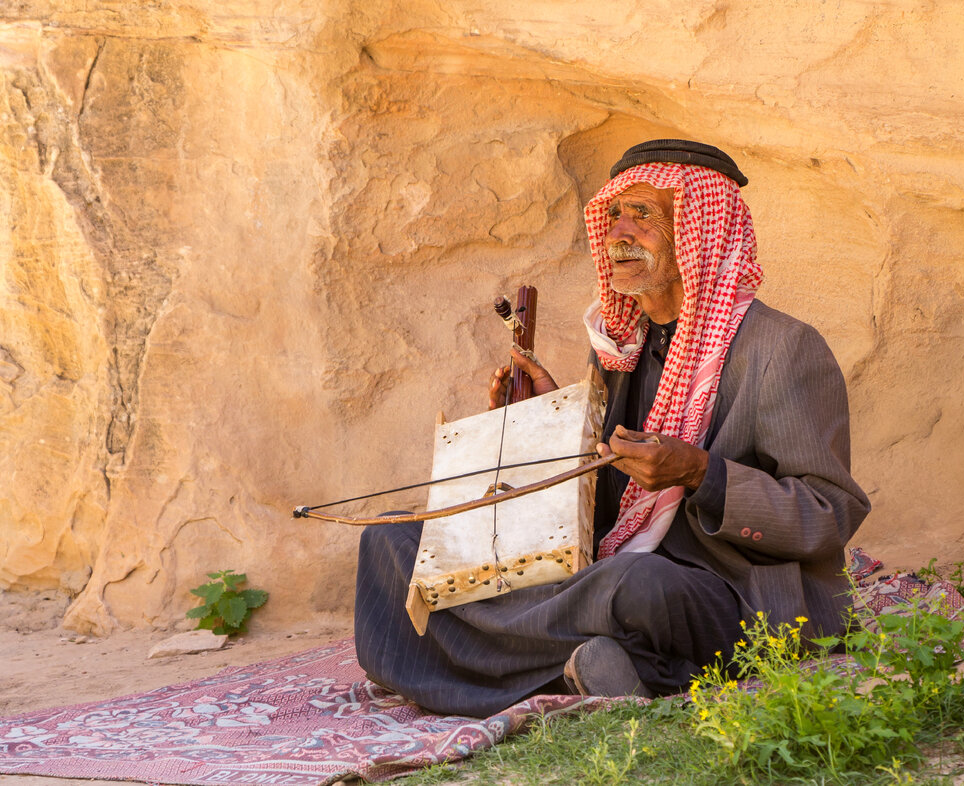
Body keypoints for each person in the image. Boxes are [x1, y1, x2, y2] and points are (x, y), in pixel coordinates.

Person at [354, 139, 870, 717]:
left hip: (719, 586)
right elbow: (599, 491)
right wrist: (550, 422)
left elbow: (829, 514)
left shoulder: (782, 349)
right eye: (614, 215)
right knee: (391, 540)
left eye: (644, 215)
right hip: (602, 568)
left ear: (702, 231)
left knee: (634, 586)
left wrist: (701, 473)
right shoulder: (619, 350)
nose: (618, 233)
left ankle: (484, 659)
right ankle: (594, 663)